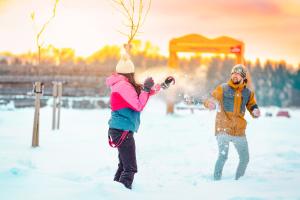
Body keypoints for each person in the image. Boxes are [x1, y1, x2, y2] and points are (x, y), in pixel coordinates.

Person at [106, 45, 168, 189]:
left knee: (124, 166)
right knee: (130, 168)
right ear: (130, 73)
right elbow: (139, 104)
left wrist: (163, 85)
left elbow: (144, 92)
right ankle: (121, 194)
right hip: (122, 131)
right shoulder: (123, 86)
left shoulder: (123, 84)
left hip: (120, 129)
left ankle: (113, 192)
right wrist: (145, 89)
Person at [204, 64, 261, 180]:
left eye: (238, 74)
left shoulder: (248, 93)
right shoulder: (223, 88)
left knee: (245, 158)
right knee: (223, 156)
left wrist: (255, 111)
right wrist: (208, 103)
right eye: (233, 73)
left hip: (239, 131)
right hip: (223, 128)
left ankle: (239, 181)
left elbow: (252, 106)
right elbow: (211, 97)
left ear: (243, 77)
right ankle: (216, 180)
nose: (234, 76)